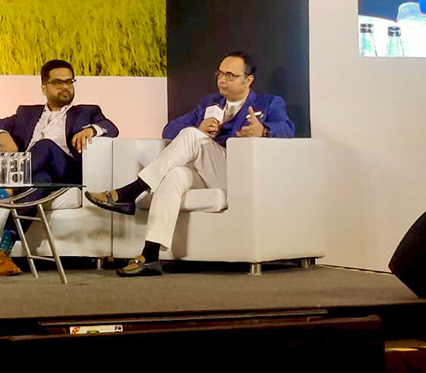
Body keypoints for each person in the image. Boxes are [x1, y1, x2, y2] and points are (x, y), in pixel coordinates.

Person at [87, 52, 293, 276]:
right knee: (175, 174)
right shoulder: (209, 103)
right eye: (220, 73)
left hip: (236, 174)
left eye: (230, 75)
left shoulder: (269, 102)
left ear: (248, 80)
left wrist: (263, 130)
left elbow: (288, 129)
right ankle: (150, 255)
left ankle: (131, 191)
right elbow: (168, 131)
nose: (222, 80)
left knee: (191, 136)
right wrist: (201, 127)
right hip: (206, 173)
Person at [0, 59, 118, 275]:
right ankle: (2, 254)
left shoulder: (86, 111)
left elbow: (111, 127)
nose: (66, 87)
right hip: (40, 174)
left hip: (67, 170)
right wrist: (2, 135)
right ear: (44, 87)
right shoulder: (26, 113)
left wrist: (91, 130)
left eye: (70, 81)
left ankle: (5, 192)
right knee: (40, 182)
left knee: (45, 146)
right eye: (58, 82)